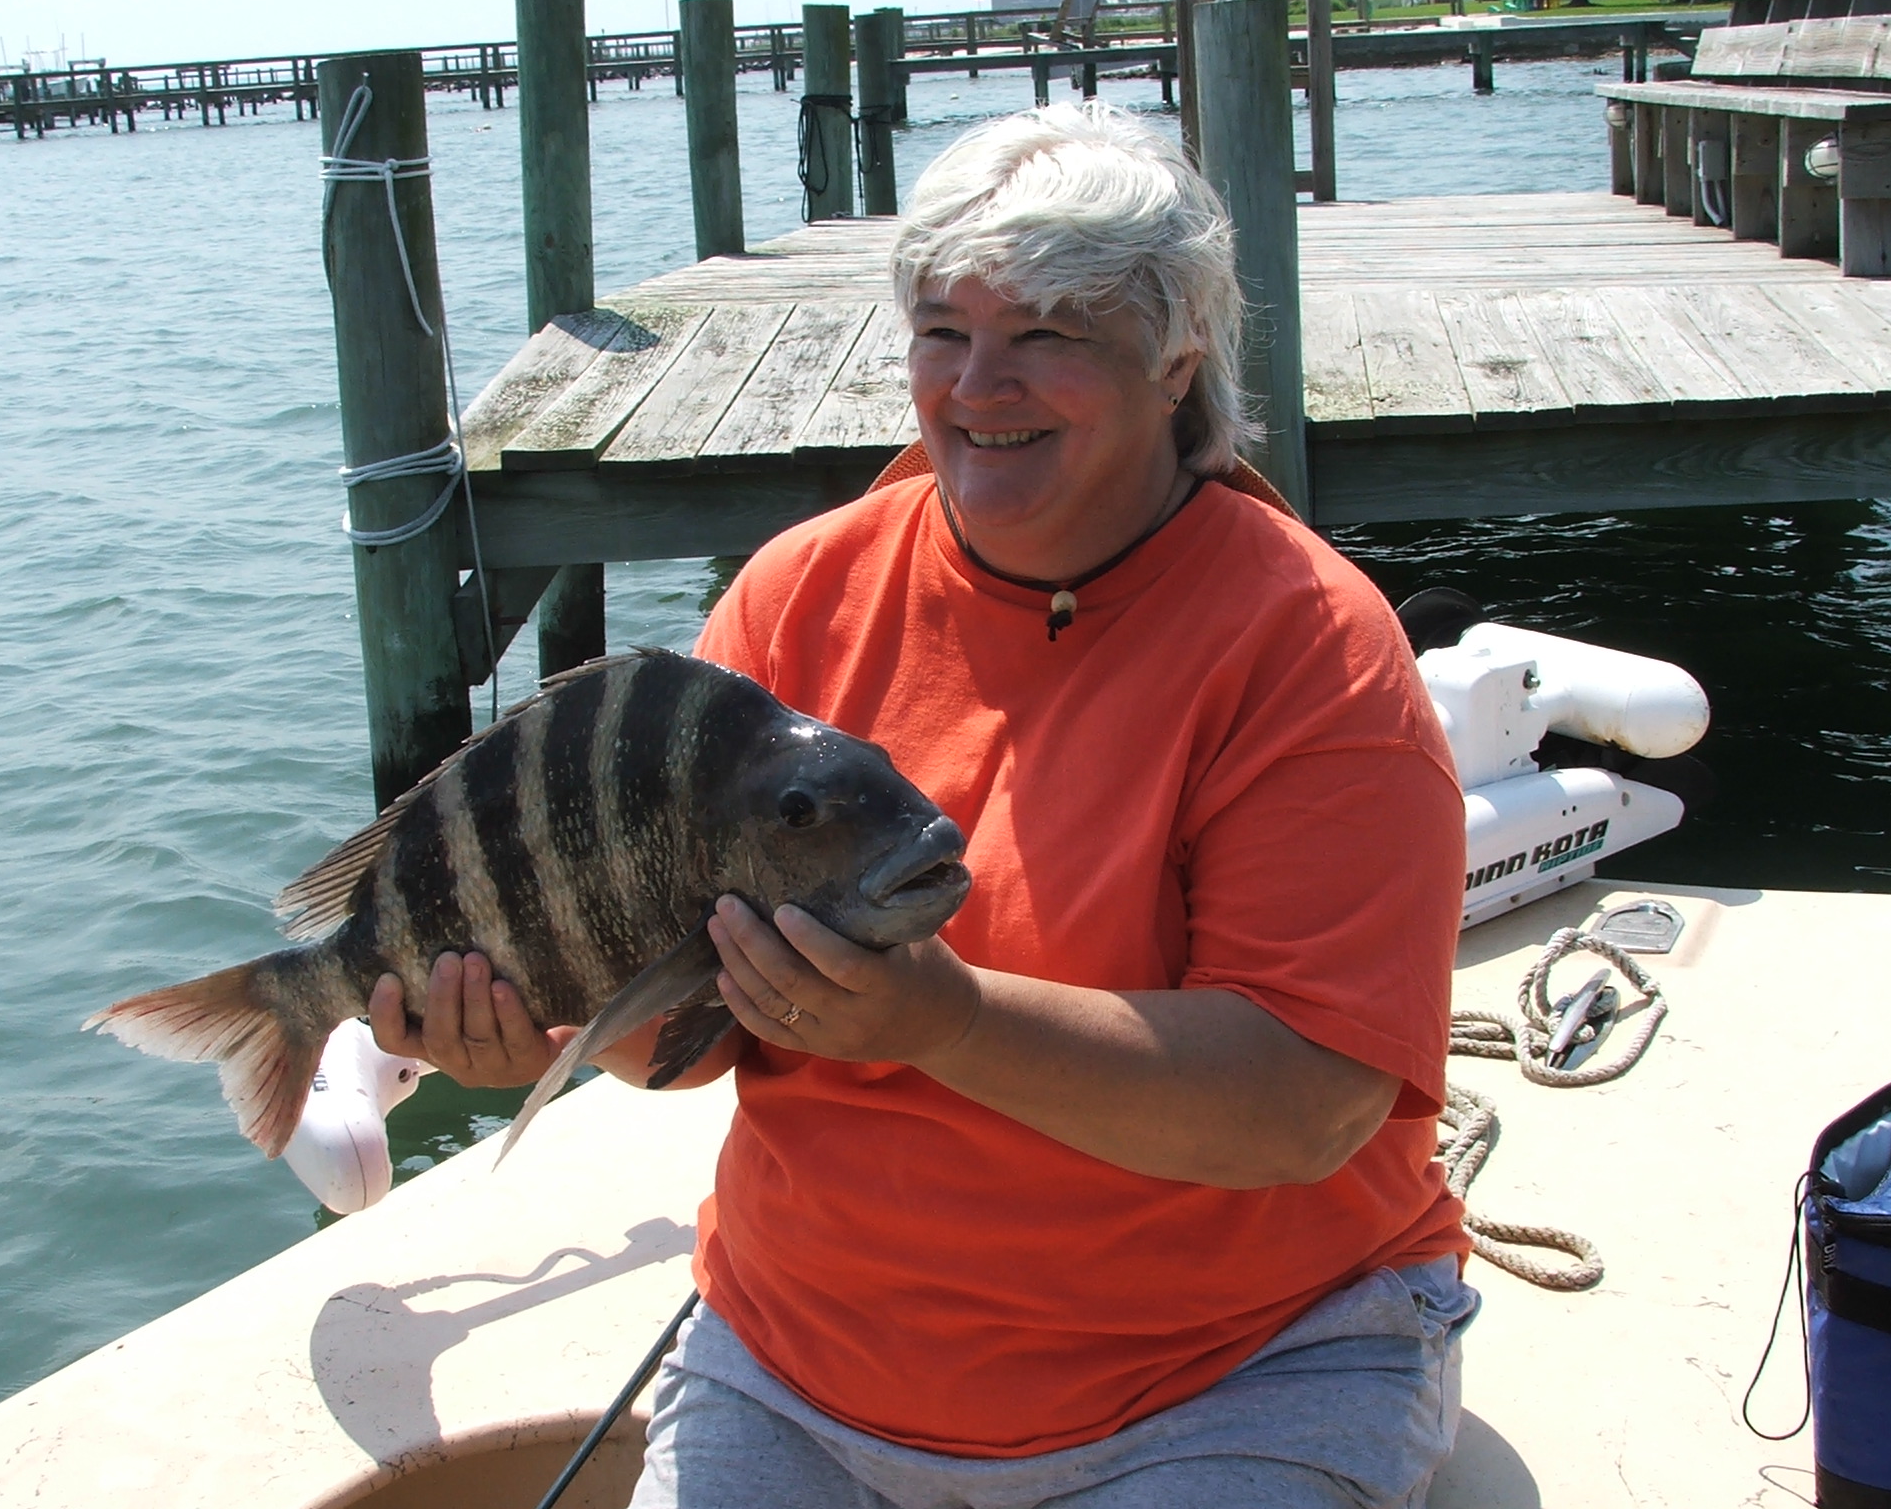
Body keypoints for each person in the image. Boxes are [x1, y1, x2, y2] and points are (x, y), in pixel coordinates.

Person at [371, 101, 1474, 1507]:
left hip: (1236, 1373)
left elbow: (1306, 1108)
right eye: (943, 332)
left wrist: (941, 1023)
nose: (977, 383)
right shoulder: (795, 597)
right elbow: (687, 1045)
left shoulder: (1309, 646)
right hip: (796, 1368)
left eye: (1049, 336)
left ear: (1176, 354)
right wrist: (553, 1028)